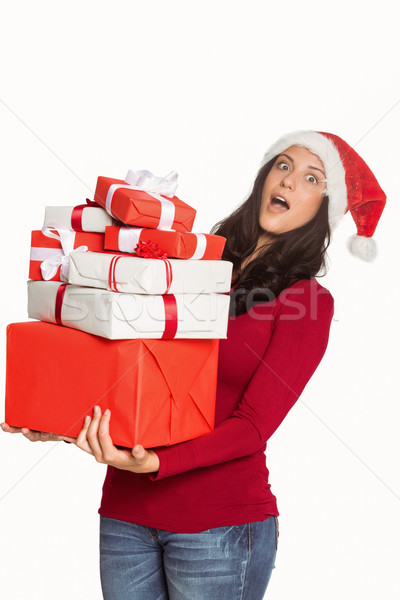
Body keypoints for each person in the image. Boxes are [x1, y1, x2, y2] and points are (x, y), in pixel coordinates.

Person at [1, 130, 387, 600]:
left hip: (219, 527)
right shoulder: (185, 266)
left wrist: (155, 461)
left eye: (312, 178)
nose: (289, 181)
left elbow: (253, 426)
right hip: (126, 513)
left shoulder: (305, 302)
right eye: (283, 166)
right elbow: (123, 362)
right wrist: (60, 418)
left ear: (326, 209)